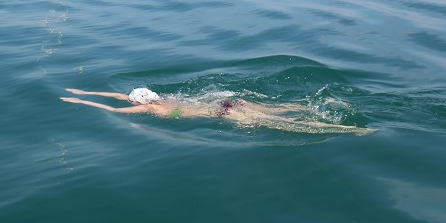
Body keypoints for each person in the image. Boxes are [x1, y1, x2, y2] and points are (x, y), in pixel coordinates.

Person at [60, 88, 372, 134]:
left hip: (220, 115)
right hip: (223, 103)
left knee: (274, 122)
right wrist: (83, 90)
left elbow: (113, 108)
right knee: (280, 108)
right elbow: (118, 95)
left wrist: (82, 102)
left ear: (139, 102)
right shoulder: (163, 97)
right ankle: (314, 104)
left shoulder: (145, 112)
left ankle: (350, 129)